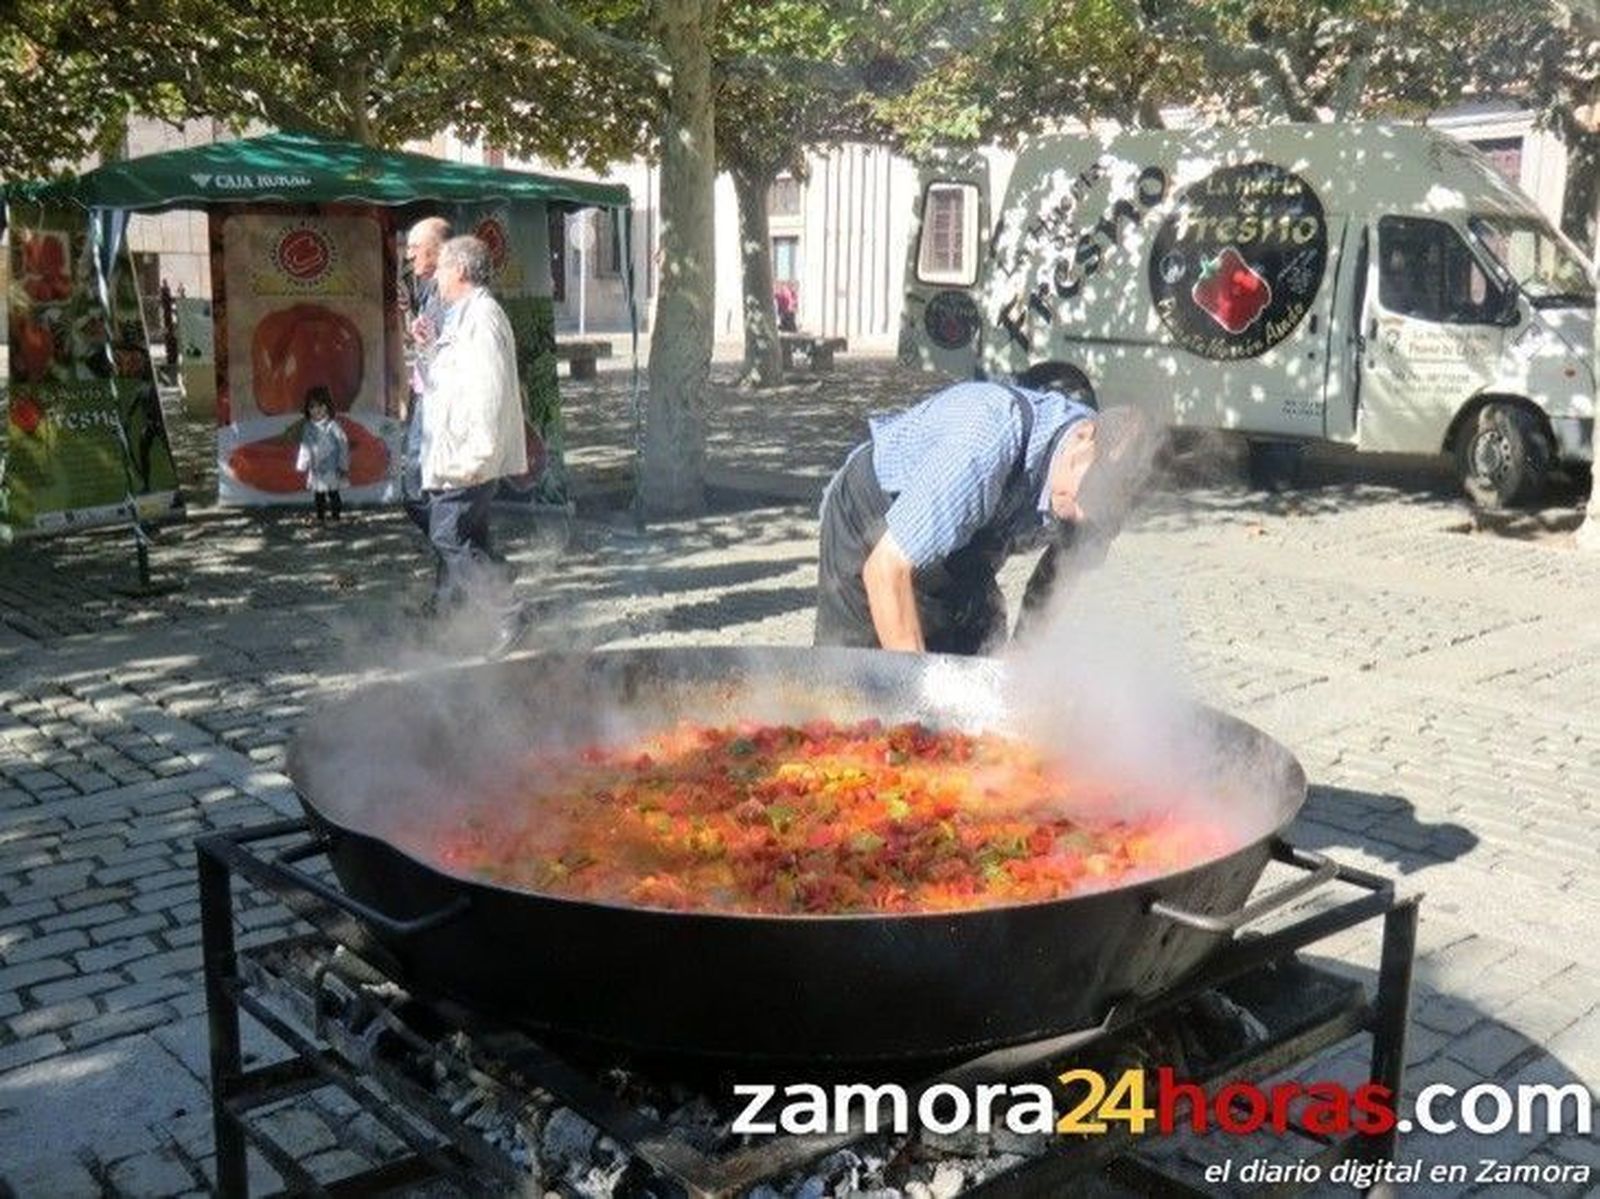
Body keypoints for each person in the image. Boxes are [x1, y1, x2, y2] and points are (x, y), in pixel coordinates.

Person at [813, 366, 1149, 654]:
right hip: (874, 525)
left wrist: (1020, 664)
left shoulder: (1107, 494)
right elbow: (885, 571)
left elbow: (1055, 579)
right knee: (855, 684)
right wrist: (918, 709)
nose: (1080, 515)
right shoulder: (983, 447)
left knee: (974, 678)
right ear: (1083, 436)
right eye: (1084, 495)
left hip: (964, 545)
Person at [420, 234, 533, 659]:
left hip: (469, 456)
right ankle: (504, 596)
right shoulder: (463, 315)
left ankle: (509, 614)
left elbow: (489, 388)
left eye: (443, 269)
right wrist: (427, 345)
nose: (437, 278)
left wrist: (478, 455)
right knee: (472, 538)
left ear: (462, 271)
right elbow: (450, 379)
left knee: (447, 534)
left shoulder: (482, 316)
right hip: (459, 452)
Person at [402, 216, 452, 533]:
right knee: (417, 484)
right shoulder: (427, 288)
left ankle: (463, 556)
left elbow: (454, 353)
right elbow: (430, 341)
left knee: (416, 484)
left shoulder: (451, 293)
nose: (408, 255)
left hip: (440, 399)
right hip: (426, 393)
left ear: (437, 251)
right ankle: (459, 556)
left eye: (415, 247)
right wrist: (415, 330)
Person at [295, 386, 350, 523]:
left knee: (333, 493)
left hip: (332, 468)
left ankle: (336, 517)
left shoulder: (333, 426)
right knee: (318, 494)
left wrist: (343, 464)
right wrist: (302, 463)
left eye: (320, 406)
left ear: (327, 407)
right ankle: (320, 517)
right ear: (308, 409)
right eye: (312, 407)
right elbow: (305, 446)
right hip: (316, 469)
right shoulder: (308, 427)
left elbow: (343, 444)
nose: (317, 410)